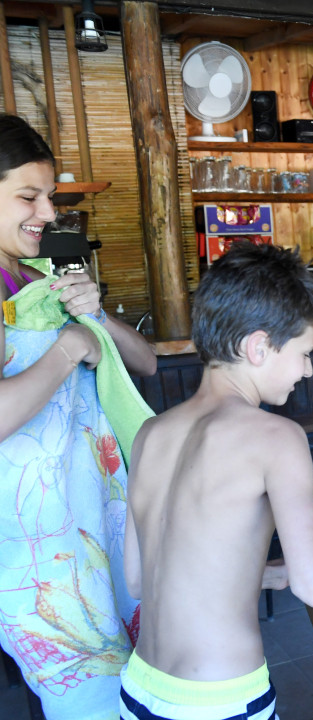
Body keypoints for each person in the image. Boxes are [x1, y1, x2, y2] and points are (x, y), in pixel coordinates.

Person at [121, 243, 313, 719]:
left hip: (140, 688)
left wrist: (263, 574)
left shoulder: (149, 434)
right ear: (258, 347)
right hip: (220, 699)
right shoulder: (276, 437)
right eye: (304, 353)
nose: (307, 370)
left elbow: (142, 579)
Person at [0, 114, 158, 718]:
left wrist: (97, 316)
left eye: (50, 196)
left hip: (97, 523)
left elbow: (144, 363)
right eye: (29, 196)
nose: (47, 212)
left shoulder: (41, 276)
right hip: (38, 554)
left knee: (136, 688)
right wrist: (69, 347)